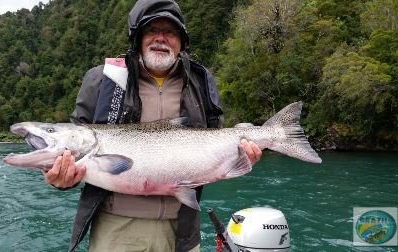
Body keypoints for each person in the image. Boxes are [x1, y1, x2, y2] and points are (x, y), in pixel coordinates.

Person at [44, 0, 262, 251]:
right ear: (137, 38)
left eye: (170, 32)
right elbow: (73, 145)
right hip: (116, 230)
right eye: (151, 30)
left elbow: (215, 138)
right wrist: (60, 178)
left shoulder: (201, 81)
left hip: (183, 230)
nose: (161, 38)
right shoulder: (101, 80)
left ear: (181, 41)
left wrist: (242, 157)